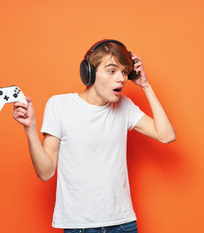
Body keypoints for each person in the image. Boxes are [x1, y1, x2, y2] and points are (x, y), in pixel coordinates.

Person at [13, 39, 176, 233]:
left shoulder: (124, 106)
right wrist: (30, 128)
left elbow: (166, 135)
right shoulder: (60, 105)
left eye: (124, 72)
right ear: (89, 72)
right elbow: (45, 172)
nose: (121, 79)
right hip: (79, 227)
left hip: (123, 224)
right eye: (111, 70)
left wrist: (146, 85)